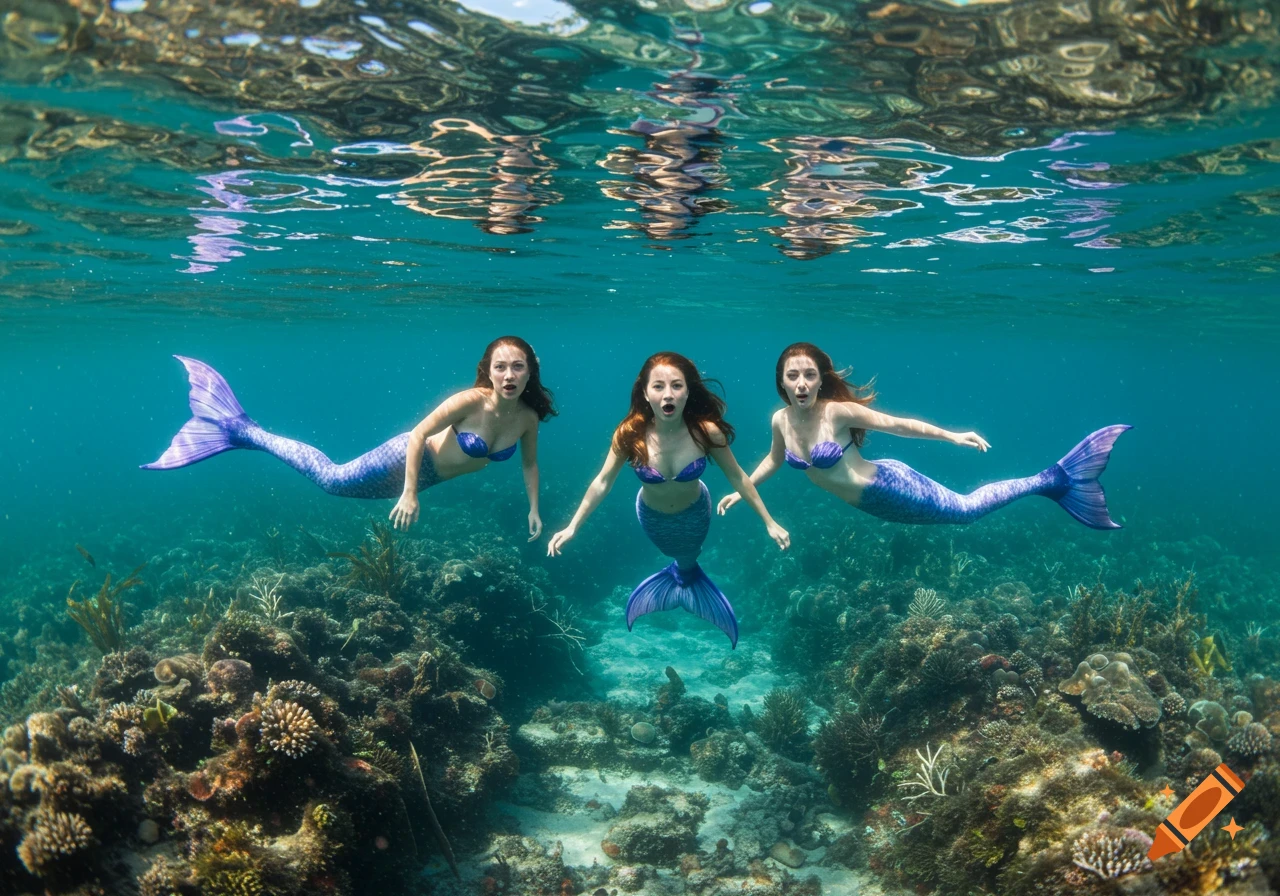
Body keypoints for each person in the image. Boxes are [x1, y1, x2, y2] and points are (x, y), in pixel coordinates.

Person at [143, 337, 555, 540]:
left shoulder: (527, 418)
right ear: (488, 369)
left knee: (337, 488)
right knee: (333, 479)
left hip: (430, 480)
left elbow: (530, 463)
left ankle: (240, 433)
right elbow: (416, 435)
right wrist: (410, 492)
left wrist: (534, 508)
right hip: (407, 460)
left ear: (529, 371)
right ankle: (243, 430)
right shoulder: (469, 401)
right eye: (500, 367)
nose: (509, 376)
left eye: (517, 367)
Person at [718, 342, 1129, 529]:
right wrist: (742, 490)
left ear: (820, 380)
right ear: (782, 383)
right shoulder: (780, 421)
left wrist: (951, 436)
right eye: (794, 376)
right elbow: (774, 460)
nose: (802, 383)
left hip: (888, 488)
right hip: (872, 506)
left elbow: (899, 425)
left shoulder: (836, 412)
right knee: (962, 513)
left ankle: (1052, 480)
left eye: (810, 375)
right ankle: (1054, 481)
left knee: (966, 512)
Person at [547, 352, 789, 647]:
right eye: (658, 386)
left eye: (676, 385)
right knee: (676, 556)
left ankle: (687, 579)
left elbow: (738, 477)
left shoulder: (705, 432)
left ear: (688, 391)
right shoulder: (630, 434)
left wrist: (769, 522)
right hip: (653, 518)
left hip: (696, 513)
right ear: (645, 393)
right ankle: (675, 580)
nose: (668, 394)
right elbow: (602, 482)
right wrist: (573, 527)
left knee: (690, 556)